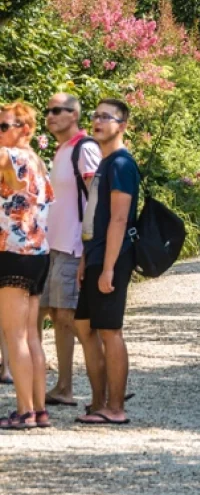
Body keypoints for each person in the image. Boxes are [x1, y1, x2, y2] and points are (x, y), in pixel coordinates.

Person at [74, 99, 139, 426]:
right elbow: (94, 218)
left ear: (122, 125)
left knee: (110, 331)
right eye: (95, 116)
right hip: (96, 256)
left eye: (106, 117)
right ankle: (99, 400)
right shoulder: (105, 162)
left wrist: (109, 267)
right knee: (85, 327)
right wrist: (87, 259)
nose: (97, 121)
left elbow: (118, 219)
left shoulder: (121, 165)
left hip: (112, 258)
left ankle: (115, 407)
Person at [39, 93, 101, 407]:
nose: (50, 115)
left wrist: (88, 249)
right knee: (57, 315)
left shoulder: (84, 148)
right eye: (48, 111)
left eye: (57, 110)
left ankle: (106, 385)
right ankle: (64, 386)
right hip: (54, 245)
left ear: (74, 114)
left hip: (74, 246)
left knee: (73, 318)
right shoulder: (61, 150)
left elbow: (96, 199)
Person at [0, 101, 54, 430]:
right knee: (32, 336)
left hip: (13, 253)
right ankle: (39, 409)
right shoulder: (37, 160)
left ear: (26, 129)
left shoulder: (9, 156)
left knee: (15, 335)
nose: (2, 132)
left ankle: (24, 412)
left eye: (7, 126)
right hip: (38, 253)